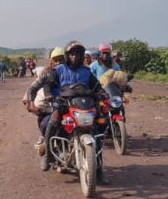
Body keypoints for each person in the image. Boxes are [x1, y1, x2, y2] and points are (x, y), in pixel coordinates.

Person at [43, 41, 110, 184]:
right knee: (53, 120)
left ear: (81, 56)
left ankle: (99, 172)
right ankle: (48, 157)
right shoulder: (59, 69)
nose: (75, 56)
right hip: (65, 103)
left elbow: (97, 85)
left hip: (85, 104)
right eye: (72, 54)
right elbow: (49, 83)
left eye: (78, 54)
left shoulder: (86, 71)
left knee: (97, 130)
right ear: (68, 55)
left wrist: (103, 93)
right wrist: (48, 94)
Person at [23, 47, 66, 153]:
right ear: (51, 61)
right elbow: (33, 87)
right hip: (52, 106)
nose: (59, 62)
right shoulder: (47, 72)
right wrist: (29, 102)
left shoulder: (73, 71)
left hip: (72, 105)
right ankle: (46, 142)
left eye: (62, 59)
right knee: (44, 123)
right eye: (56, 60)